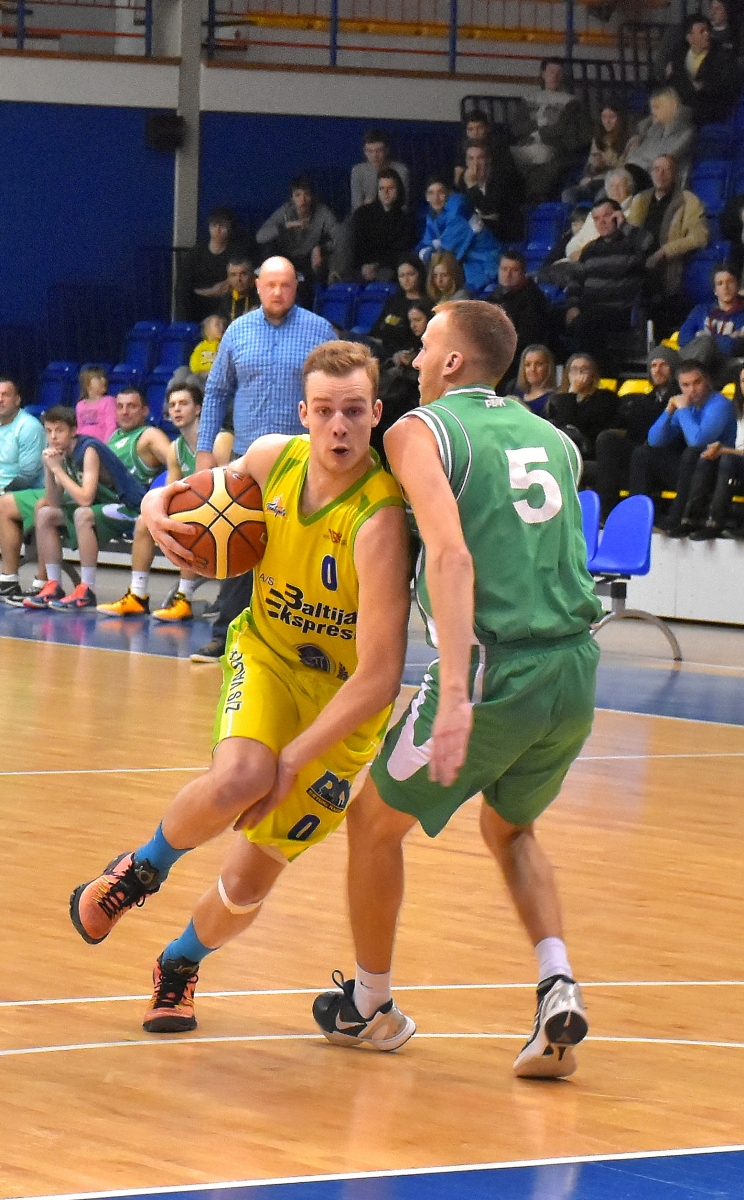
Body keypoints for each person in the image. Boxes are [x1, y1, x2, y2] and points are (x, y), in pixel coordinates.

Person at [69, 342, 412, 1044]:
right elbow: (186, 489)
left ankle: (178, 963)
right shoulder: (271, 458)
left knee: (247, 883)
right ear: (303, 414)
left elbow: (380, 679)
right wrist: (158, 508)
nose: (339, 426)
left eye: (354, 411)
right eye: (326, 411)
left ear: (376, 414)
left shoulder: (378, 521)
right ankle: (137, 872)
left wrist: (297, 760)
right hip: (269, 657)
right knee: (241, 776)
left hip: (345, 704)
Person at [311, 300, 602, 1076]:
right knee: (510, 830)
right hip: (576, 669)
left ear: (451, 362)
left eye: (425, 344)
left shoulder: (418, 431)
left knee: (372, 824)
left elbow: (451, 556)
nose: (412, 358)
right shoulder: (555, 440)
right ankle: (557, 985)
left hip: (494, 669)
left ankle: (369, 1003)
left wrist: (460, 697)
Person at [190, 256, 337, 663]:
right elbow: (216, 392)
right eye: (270, 284)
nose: (277, 292)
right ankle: (226, 636)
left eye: (285, 285)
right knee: (238, 540)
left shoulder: (319, 331)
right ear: (256, 286)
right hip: (247, 460)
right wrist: (205, 451)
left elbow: (334, 394)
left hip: (302, 460)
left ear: (296, 287)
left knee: (298, 549)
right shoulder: (237, 331)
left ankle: (297, 643)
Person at [0, 402, 167, 610]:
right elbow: (54, 501)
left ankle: (87, 589)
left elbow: (86, 498)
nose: (53, 436)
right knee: (45, 513)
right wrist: (49, 469)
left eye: (59, 430)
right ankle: (53, 585)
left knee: (83, 514)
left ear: (73, 430)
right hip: (102, 506)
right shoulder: (61, 453)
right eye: (49, 431)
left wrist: (57, 470)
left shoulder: (88, 449)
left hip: (128, 507)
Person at [96, 384, 211, 621]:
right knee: (145, 521)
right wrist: (155, 512)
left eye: (184, 404)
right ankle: (138, 596)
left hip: (223, 513)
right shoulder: (176, 449)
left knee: (189, 518)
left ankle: (184, 598)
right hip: (197, 509)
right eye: (173, 405)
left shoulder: (218, 440)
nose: (176, 409)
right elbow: (169, 491)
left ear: (198, 409)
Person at [629, 358, 737, 535]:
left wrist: (684, 410)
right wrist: (669, 410)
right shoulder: (687, 407)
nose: (692, 390)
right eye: (685, 385)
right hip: (693, 470)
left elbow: (699, 441)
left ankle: (676, 519)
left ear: (708, 381)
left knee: (693, 452)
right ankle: (637, 517)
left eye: (697, 382)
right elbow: (654, 440)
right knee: (643, 453)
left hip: (718, 471)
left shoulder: (720, 405)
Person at [593, 344, 680, 519]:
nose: (657, 370)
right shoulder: (642, 401)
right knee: (607, 439)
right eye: (653, 365)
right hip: (641, 454)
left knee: (642, 453)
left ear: (674, 368)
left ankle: (635, 517)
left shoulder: (683, 399)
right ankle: (605, 513)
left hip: (670, 459)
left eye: (663, 364)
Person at [627, 154, 709, 334]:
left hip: (668, 268)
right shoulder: (640, 200)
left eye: (666, 170)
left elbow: (699, 236)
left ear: (675, 174)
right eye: (656, 169)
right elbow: (630, 234)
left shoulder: (688, 200)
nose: (660, 174)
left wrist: (665, 251)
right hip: (639, 264)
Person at [563, 197, 653, 360]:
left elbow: (650, 245)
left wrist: (624, 225)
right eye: (596, 218)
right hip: (588, 309)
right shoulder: (590, 250)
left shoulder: (632, 244)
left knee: (586, 323)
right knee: (551, 317)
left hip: (619, 309)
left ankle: (592, 369)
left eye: (606, 216)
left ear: (618, 215)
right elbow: (575, 281)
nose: (601, 222)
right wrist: (572, 306)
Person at [511, 58, 593, 202]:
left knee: (545, 161)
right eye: (551, 71)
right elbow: (517, 128)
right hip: (525, 146)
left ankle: (534, 199)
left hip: (553, 149)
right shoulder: (528, 99)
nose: (554, 76)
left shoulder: (571, 103)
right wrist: (539, 125)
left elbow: (565, 131)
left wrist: (543, 132)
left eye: (559, 72)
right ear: (543, 74)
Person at [0, 378, 46, 601]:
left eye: (5, 395)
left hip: (28, 493)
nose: (0, 399)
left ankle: (8, 580)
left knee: (2, 504)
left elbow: (28, 476)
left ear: (17, 400)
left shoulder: (28, 427)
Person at [685, 363, 744, 538]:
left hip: (737, 462)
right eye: (743, 381)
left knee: (727, 459)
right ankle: (689, 520)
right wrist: (721, 448)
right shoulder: (740, 409)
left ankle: (715, 523)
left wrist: (725, 451)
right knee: (706, 456)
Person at [256, 175, 340, 298]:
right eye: (298, 195)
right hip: (286, 258)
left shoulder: (322, 212)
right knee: (268, 248)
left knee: (322, 266)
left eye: (307, 195)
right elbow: (260, 237)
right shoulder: (285, 212)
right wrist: (286, 226)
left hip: (309, 259)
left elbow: (339, 236)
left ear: (313, 196)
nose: (303, 200)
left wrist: (321, 248)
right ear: (292, 198)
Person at [416, 176, 499, 293]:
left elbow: (446, 253)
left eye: (441, 192)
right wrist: (430, 253)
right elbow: (423, 246)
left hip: (486, 267)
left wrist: (430, 253)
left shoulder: (458, 211)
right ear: (426, 197)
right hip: (467, 269)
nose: (436, 198)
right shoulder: (433, 216)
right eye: (431, 193)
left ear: (449, 193)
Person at [174, 207, 250, 323]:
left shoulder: (237, 252)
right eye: (214, 225)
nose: (218, 229)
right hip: (198, 304)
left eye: (223, 225)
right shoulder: (196, 253)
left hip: (227, 306)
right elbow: (183, 286)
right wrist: (211, 292)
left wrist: (230, 282)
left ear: (230, 228)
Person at [665, 13, 739, 125]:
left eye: (707, 30)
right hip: (682, 103)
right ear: (689, 37)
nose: (707, 34)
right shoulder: (679, 53)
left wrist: (702, 86)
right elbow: (673, 80)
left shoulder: (722, 56)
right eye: (701, 31)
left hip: (709, 107)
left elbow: (727, 85)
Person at [488, 251, 553, 377]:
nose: (508, 274)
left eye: (514, 270)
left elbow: (527, 338)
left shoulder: (533, 299)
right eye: (504, 269)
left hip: (518, 362)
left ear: (523, 273)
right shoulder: (496, 295)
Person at [545, 353, 618, 462]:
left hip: (588, 451)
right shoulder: (557, 399)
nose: (579, 374)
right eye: (574, 370)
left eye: (584, 370)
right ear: (568, 374)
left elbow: (575, 424)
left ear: (593, 374)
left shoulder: (605, 397)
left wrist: (573, 393)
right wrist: (571, 395)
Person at [622, 88, 696, 192]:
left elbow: (666, 160)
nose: (652, 112)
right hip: (638, 175)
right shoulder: (655, 130)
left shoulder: (687, 132)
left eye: (656, 107)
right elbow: (637, 155)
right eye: (652, 108)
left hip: (663, 181)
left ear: (669, 107)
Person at [455, 139, 526, 244]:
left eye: (480, 158)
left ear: (488, 159)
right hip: (477, 233)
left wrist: (472, 186)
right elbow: (463, 210)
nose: (475, 164)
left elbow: (489, 208)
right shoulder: (463, 179)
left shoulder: (501, 178)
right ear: (466, 161)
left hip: (505, 234)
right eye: (471, 158)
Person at [678, 265, 744, 377]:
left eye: (730, 282)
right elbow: (683, 339)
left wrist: (702, 338)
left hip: (727, 367)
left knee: (705, 344)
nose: (725, 287)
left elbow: (732, 348)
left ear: (738, 286)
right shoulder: (700, 310)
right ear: (715, 290)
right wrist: (727, 338)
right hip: (696, 359)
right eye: (720, 283)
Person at [349, 169, 414, 282]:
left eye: (390, 188)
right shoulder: (362, 214)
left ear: (399, 190)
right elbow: (355, 246)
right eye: (381, 188)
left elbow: (399, 252)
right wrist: (364, 267)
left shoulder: (406, 220)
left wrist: (376, 265)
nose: (386, 192)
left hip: (387, 269)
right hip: (360, 267)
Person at [562, 104, 635, 204]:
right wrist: (595, 167)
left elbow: (628, 168)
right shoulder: (598, 138)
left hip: (612, 182)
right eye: (604, 117)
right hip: (595, 180)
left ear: (620, 118)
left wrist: (606, 164)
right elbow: (589, 167)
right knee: (568, 194)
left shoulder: (632, 140)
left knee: (601, 196)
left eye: (611, 117)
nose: (607, 121)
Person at [368, 257, 429, 359]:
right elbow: (376, 328)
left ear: (420, 274)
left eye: (411, 274)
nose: (406, 280)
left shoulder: (427, 303)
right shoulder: (394, 301)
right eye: (402, 276)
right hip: (378, 347)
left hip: (402, 353)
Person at [351, 129, 410, 212]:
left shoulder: (401, 170)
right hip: (365, 216)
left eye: (379, 150)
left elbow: (403, 205)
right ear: (364, 152)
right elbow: (356, 207)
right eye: (370, 151)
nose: (374, 155)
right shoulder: (358, 171)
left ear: (387, 150)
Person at [509, 344, 557, 415]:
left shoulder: (553, 400)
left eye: (539, 364)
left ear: (548, 367)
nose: (533, 369)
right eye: (528, 365)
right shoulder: (515, 391)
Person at [75, 366, 117, 443]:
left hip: (100, 443)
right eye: (98, 378)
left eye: (104, 377)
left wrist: (106, 445)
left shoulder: (109, 401)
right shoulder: (80, 405)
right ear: (87, 383)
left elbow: (111, 426)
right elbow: (79, 428)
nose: (103, 380)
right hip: (83, 443)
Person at [215, 257, 259, 326]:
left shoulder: (261, 297)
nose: (238, 279)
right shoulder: (226, 299)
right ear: (228, 278)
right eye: (233, 275)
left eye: (243, 274)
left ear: (252, 276)